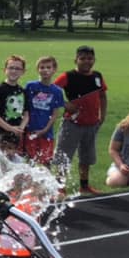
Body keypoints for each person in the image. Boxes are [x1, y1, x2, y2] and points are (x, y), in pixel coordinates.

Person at [54, 45, 108, 195]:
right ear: (75, 60)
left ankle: (84, 186)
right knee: (64, 156)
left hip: (91, 124)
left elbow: (103, 95)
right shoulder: (68, 76)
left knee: (87, 157)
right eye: (82, 58)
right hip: (72, 124)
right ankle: (60, 187)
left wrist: (102, 115)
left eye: (89, 58)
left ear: (94, 60)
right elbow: (51, 92)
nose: (86, 61)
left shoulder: (97, 76)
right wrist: (65, 104)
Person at [23, 56, 65, 166]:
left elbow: (55, 113)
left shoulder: (57, 91)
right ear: (38, 69)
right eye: (42, 67)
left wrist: (44, 130)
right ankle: (28, 183)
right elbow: (24, 108)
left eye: (48, 67)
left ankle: (46, 183)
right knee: (29, 160)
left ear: (54, 70)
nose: (45, 70)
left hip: (46, 133)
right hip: (30, 130)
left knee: (46, 162)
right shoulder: (30, 86)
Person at [0, 55, 29, 142]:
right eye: (11, 68)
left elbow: (26, 114)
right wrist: (9, 128)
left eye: (18, 69)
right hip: (2, 134)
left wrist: (21, 128)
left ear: (23, 72)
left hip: (17, 134)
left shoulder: (22, 91)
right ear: (5, 70)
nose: (14, 71)